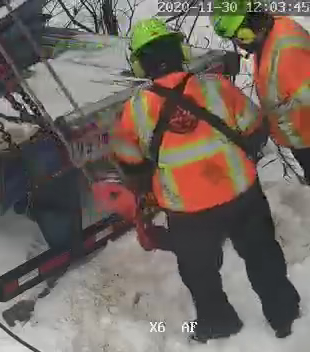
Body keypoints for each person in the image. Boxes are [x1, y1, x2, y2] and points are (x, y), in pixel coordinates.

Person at [110, 18, 301, 343]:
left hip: (188, 210)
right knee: (262, 256)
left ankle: (218, 322)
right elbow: (255, 127)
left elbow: (129, 161)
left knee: (200, 274)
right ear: (180, 51)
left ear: (140, 64)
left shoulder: (136, 109)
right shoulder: (216, 86)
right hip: (241, 193)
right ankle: (284, 315)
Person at [211, 5, 310, 182]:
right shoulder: (269, 37)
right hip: (301, 138)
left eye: (238, 38)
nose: (239, 44)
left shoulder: (287, 49)